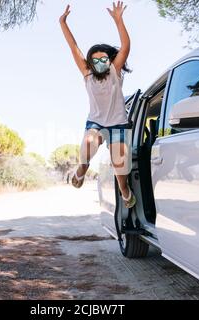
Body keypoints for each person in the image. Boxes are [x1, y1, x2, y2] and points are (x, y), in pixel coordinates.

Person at [59, 1, 136, 208]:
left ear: (109, 60)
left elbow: (126, 47)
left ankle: (123, 188)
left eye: (104, 59)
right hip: (96, 123)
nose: (100, 62)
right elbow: (73, 48)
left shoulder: (114, 71)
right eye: (95, 60)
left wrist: (119, 20)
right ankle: (82, 169)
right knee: (88, 145)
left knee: (120, 163)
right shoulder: (87, 75)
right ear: (91, 63)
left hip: (118, 123)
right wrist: (63, 23)